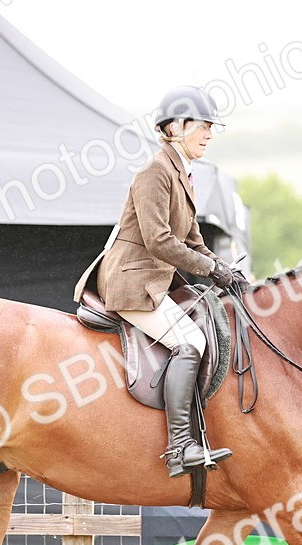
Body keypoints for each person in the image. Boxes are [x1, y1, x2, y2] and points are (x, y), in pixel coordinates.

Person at [74, 85, 245, 478]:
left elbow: (194, 242)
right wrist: (210, 270)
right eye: (203, 125)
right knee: (191, 341)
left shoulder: (181, 173)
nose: (209, 134)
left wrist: (228, 271)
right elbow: (159, 240)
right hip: (132, 282)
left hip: (154, 281)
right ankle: (180, 446)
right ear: (177, 126)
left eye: (210, 127)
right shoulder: (155, 171)